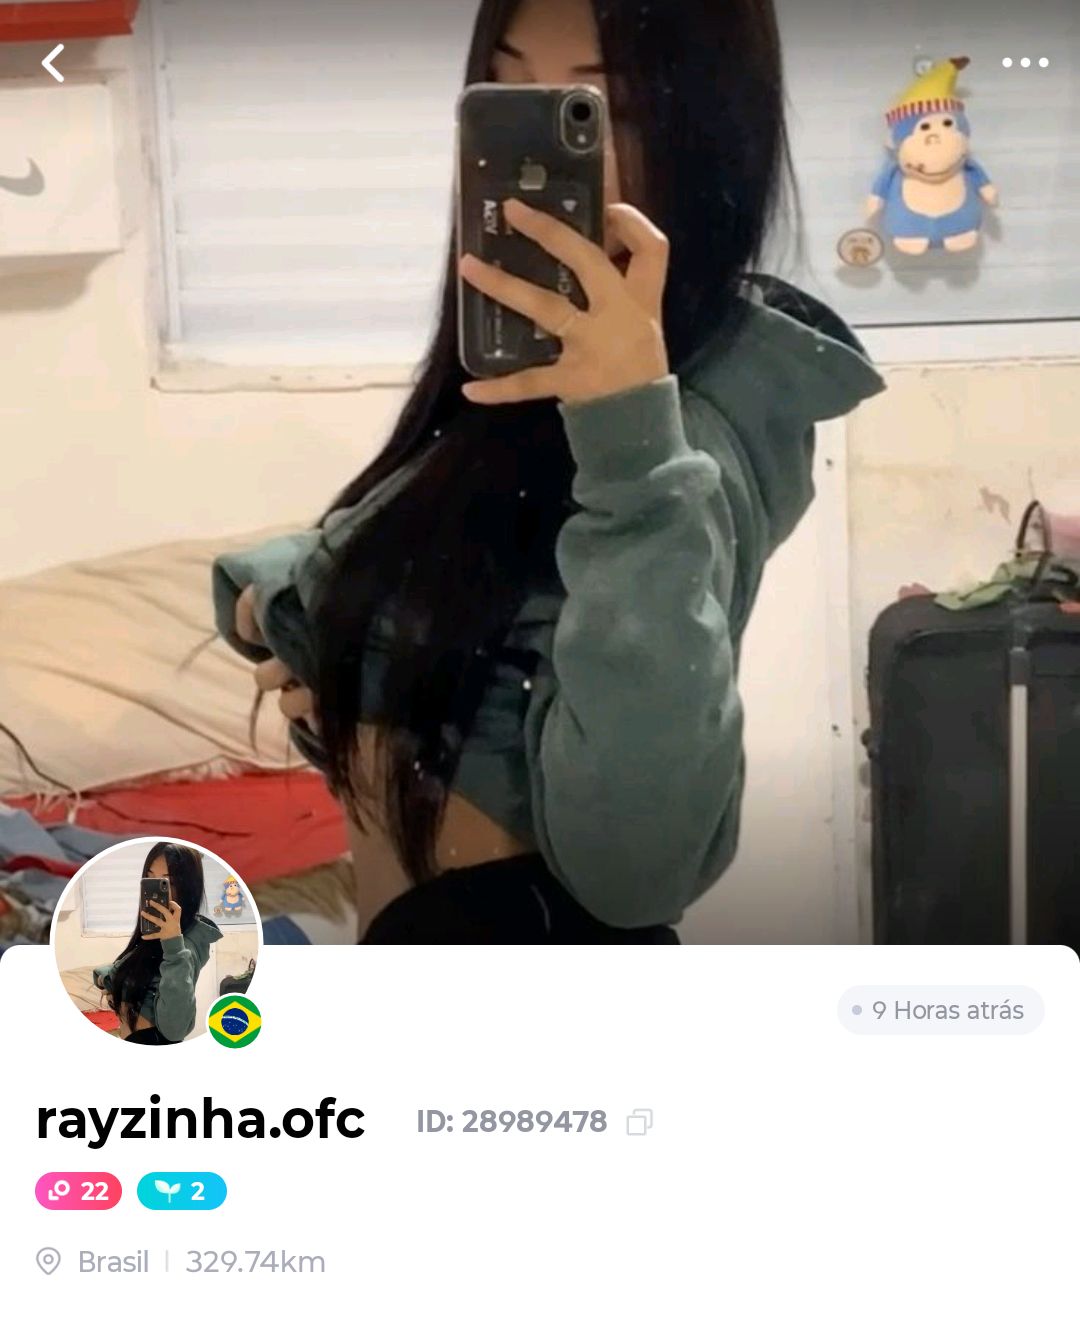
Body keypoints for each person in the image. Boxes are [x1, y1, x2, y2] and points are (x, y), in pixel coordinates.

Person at [212, 0, 885, 945]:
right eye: (505, 87)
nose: (524, 159)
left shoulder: (679, 430)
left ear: (704, 137)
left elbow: (639, 869)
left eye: (596, 110)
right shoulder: (529, 370)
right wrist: (315, 626)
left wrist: (630, 431)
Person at [93, 843, 222, 1044]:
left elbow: (175, 1030)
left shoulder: (186, 944)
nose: (154, 892)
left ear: (188, 888)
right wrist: (107, 979)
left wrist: (173, 944)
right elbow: (140, 968)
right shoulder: (155, 931)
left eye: (167, 882)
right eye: (150, 878)